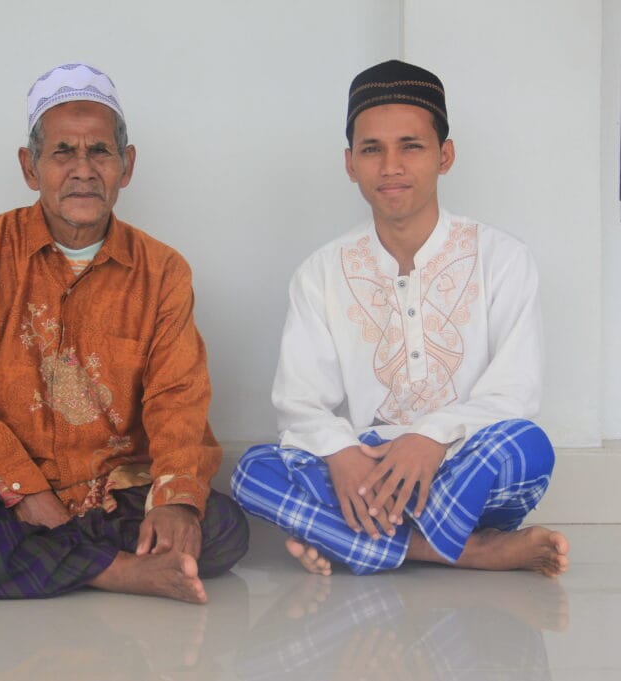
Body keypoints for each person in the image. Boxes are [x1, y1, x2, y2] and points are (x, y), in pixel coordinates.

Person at [0, 63, 248, 604]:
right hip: (7, 493)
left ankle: (26, 562)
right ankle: (114, 570)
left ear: (126, 165)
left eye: (100, 152)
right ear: (30, 166)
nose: (82, 169)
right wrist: (25, 490)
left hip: (114, 493)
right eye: (63, 152)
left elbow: (176, 400)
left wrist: (176, 500)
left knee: (225, 526)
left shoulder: (163, 271)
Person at [231, 60, 568, 578]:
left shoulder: (502, 258)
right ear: (350, 163)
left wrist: (430, 438)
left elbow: (514, 393)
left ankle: (350, 539)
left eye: (411, 146)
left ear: (444, 155)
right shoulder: (320, 273)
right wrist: (342, 454)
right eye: (372, 149)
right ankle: (460, 549)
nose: (391, 166)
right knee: (251, 472)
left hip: (465, 462)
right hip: (370, 467)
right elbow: (301, 403)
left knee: (524, 446)